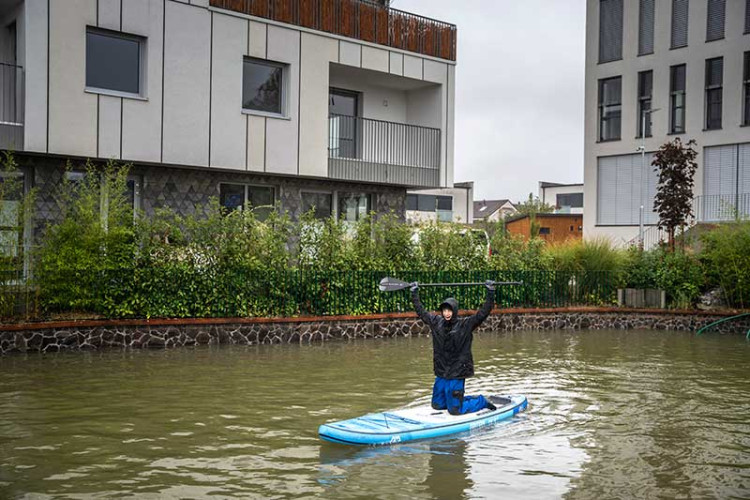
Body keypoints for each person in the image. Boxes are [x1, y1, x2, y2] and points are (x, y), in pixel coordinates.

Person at [411, 281, 497, 415]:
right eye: (444, 310)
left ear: (454, 311)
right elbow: (421, 312)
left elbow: (482, 314)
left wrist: (490, 292)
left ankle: (480, 401)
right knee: (437, 405)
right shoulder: (436, 322)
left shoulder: (465, 325)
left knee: (455, 410)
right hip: (442, 371)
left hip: (457, 372)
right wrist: (414, 293)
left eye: (449, 310)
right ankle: (458, 400)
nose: (446, 313)